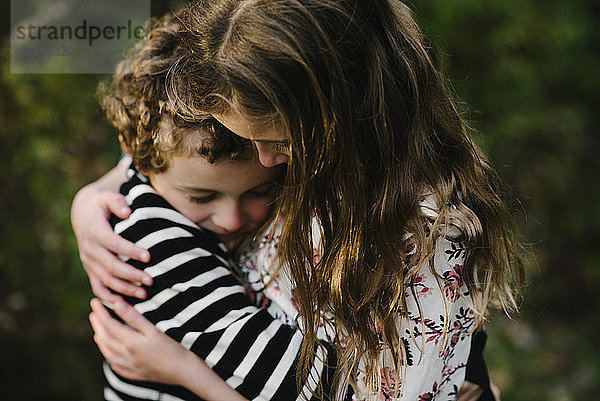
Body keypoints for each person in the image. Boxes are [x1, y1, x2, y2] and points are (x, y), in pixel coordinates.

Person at [74, 1, 522, 399]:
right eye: (248, 137)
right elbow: (162, 150)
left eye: (281, 139)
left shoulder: (419, 236)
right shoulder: (163, 227)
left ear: (344, 107)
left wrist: (188, 373)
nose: (267, 161)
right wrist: (93, 195)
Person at [86, 14, 337, 401]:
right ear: (136, 156)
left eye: (260, 192)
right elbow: (314, 389)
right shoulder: (153, 248)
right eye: (202, 198)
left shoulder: (164, 177)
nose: (232, 219)